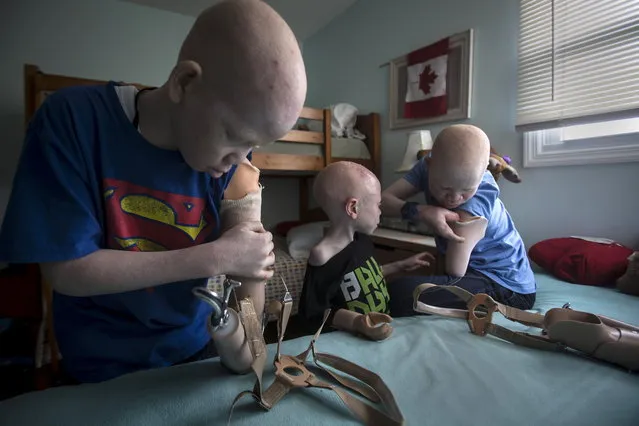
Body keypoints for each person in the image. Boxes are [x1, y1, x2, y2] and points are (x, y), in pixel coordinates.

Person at [0, 0, 306, 383]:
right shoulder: (72, 121)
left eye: (252, 145)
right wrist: (214, 257)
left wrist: (247, 341)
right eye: (233, 136)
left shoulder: (235, 172)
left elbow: (250, 299)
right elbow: (66, 269)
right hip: (98, 365)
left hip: (193, 351)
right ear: (183, 83)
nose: (239, 158)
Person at [381, 124, 536, 315]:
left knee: (402, 293)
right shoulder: (428, 166)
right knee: (399, 288)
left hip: (506, 287)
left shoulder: (476, 202)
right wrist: (422, 211)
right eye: (445, 188)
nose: (454, 198)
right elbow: (381, 201)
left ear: (482, 175)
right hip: (472, 272)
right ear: (429, 166)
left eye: (466, 190)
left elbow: (455, 271)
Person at [298, 161, 435, 341]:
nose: (380, 212)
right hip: (350, 338)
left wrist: (400, 265)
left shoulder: (361, 239)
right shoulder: (323, 255)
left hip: (377, 329)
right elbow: (313, 312)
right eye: (378, 204)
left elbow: (365, 278)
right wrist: (358, 322)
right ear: (353, 208)